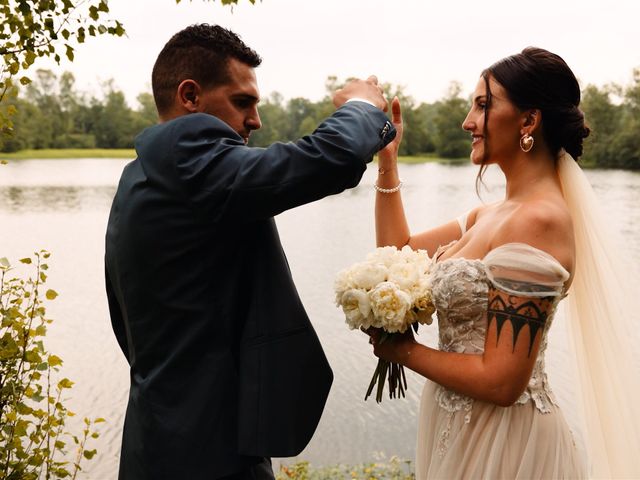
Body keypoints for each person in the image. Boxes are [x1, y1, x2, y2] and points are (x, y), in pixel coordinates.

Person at [105, 24, 395, 480]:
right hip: (206, 455)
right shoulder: (190, 161)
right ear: (190, 96)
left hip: (160, 442)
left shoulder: (140, 177)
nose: (255, 120)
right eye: (243, 102)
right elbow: (322, 159)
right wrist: (362, 106)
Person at [366, 47, 640, 479]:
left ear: (529, 121)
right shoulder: (486, 215)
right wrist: (388, 159)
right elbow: (397, 251)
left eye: (482, 104)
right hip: (455, 426)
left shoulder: (540, 221)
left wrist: (403, 351)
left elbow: (502, 381)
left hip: (506, 444)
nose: (468, 122)